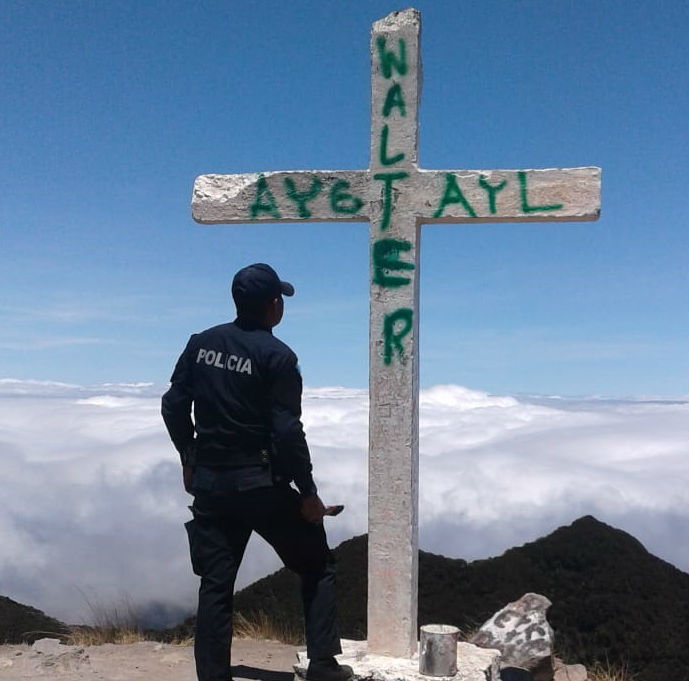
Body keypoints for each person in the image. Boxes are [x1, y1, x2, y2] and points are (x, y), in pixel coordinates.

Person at [161, 263, 353, 681]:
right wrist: (308, 493)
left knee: (216, 585)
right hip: (261, 486)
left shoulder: (200, 344)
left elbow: (173, 405)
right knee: (317, 565)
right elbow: (287, 430)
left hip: (211, 484)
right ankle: (322, 664)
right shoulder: (278, 357)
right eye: (279, 299)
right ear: (273, 305)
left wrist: (188, 458)